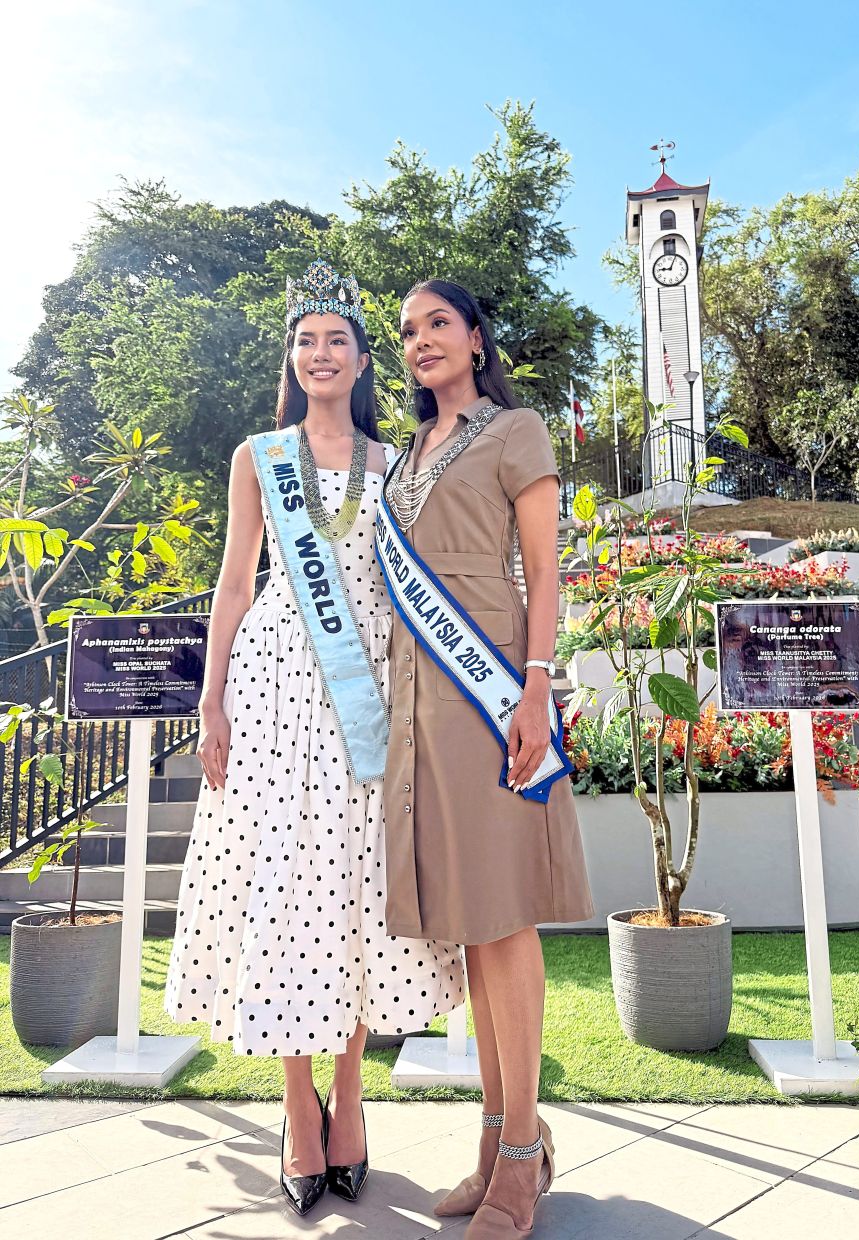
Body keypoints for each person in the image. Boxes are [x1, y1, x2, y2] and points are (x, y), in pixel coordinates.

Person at [164, 260, 464, 1217]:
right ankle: (297, 1101)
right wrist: (209, 701)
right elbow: (233, 582)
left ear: (364, 359)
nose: (322, 353)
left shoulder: (395, 461)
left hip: (367, 695)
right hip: (273, 690)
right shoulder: (259, 456)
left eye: (338, 339)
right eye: (307, 341)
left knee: (353, 888)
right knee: (284, 885)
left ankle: (351, 1094)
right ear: (292, 360)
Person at [377, 279, 594, 1238]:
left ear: (474, 337)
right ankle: (503, 1137)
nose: (422, 341)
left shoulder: (517, 430)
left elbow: (544, 568)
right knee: (469, 922)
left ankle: (517, 1162)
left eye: (438, 324)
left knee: (503, 919)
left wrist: (537, 685)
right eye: (409, 331)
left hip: (491, 678)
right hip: (417, 699)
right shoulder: (406, 452)